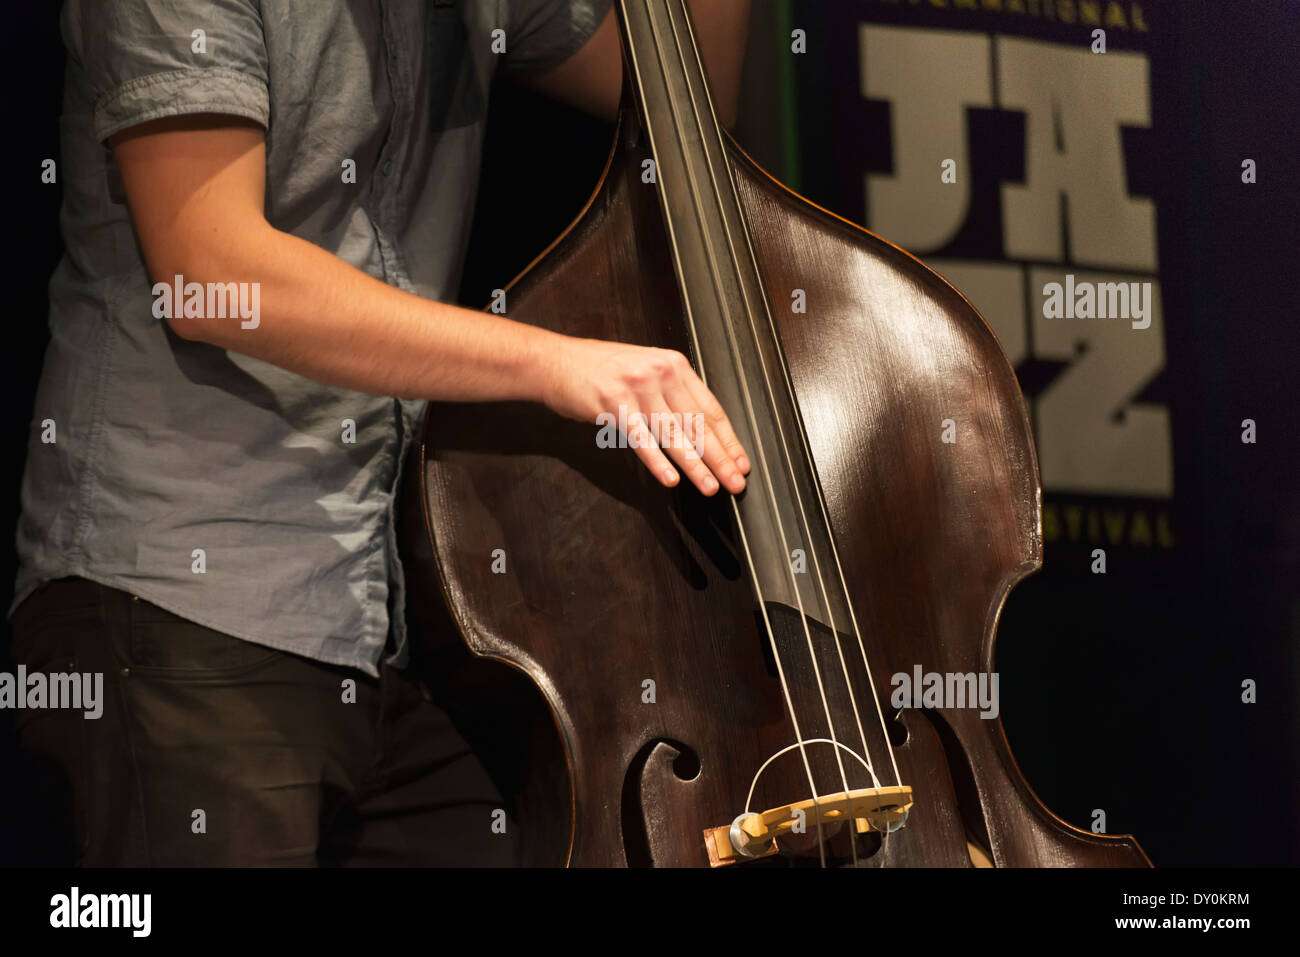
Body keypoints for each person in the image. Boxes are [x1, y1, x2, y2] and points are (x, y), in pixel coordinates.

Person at [8, 0, 751, 867]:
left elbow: (685, 87)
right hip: (183, 598)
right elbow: (210, 269)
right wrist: (555, 363)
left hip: (371, 619)